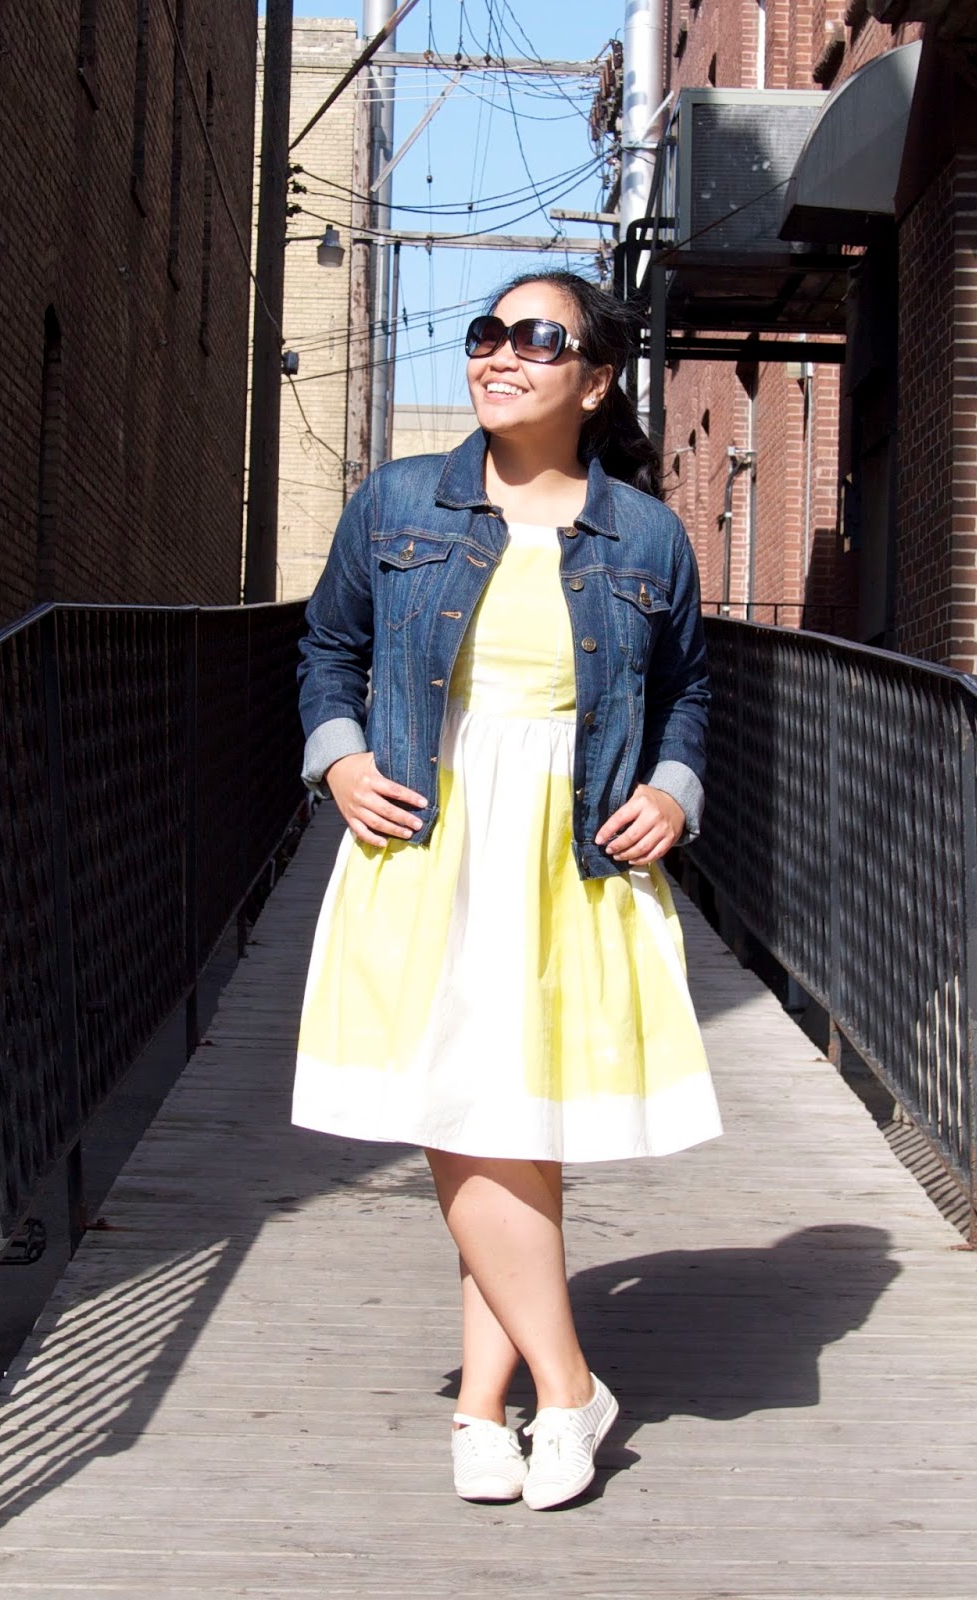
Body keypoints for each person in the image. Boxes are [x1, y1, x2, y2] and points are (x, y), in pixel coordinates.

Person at [293, 269, 721, 1510]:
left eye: (535, 339)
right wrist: (340, 760)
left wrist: (675, 790)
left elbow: (688, 688)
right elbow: (327, 646)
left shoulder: (645, 535)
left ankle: (483, 1409)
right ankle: (568, 1384)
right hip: (431, 830)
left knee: (512, 1123)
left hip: (570, 847)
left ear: (593, 380)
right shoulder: (396, 501)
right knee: (461, 1109)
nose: (498, 355)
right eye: (487, 333)